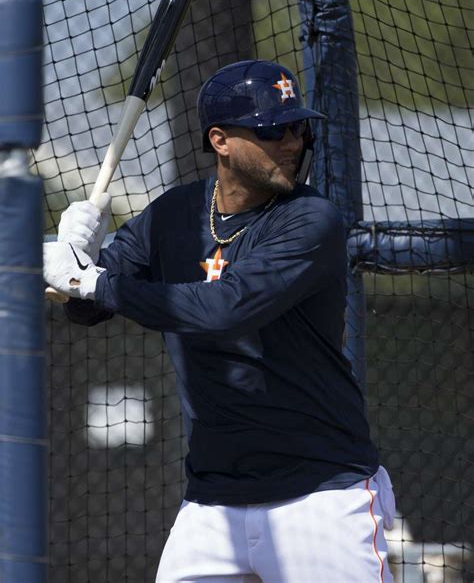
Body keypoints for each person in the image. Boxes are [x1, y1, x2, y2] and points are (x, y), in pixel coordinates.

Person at [44, 60, 395, 582]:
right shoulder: (172, 214)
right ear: (221, 140)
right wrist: (80, 255)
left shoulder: (310, 220)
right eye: (273, 130)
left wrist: (93, 281)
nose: (292, 142)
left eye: (299, 127)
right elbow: (87, 309)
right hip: (213, 502)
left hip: (320, 496)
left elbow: (224, 310)